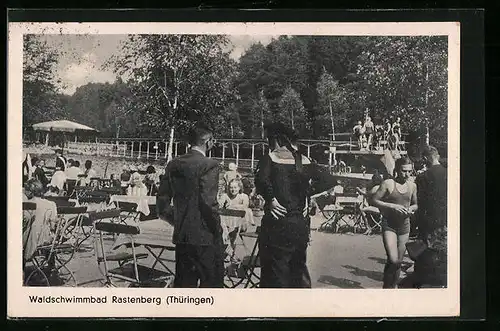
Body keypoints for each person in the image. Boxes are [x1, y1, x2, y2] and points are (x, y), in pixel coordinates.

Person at [255, 122, 338, 288]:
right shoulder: (304, 159)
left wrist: (271, 199)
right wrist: (307, 193)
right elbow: (329, 180)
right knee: (296, 270)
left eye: (269, 140)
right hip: (299, 225)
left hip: (277, 224)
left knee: (276, 272)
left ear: (276, 140)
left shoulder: (270, 158)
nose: (269, 144)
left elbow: (260, 180)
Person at [157, 123, 224, 288]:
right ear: (208, 142)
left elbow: (162, 203)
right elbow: (209, 203)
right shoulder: (210, 164)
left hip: (182, 236)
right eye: (213, 141)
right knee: (211, 286)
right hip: (205, 236)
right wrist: (218, 229)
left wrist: (178, 220)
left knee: (184, 286)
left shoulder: (174, 164)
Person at [372, 157, 418, 288]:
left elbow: (415, 204)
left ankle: (392, 288)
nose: (407, 174)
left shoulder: (412, 185)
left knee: (398, 262)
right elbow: (374, 200)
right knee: (393, 259)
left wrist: (410, 209)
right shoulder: (388, 183)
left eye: (409, 171)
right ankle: (387, 286)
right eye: (404, 171)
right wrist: (393, 206)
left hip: (404, 225)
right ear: (397, 170)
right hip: (389, 224)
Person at [413, 146, 447, 287]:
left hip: (428, 219)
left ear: (426, 158)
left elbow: (419, 201)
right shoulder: (449, 174)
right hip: (445, 218)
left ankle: (423, 281)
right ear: (437, 156)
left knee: (425, 251)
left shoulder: (423, 177)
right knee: (443, 250)